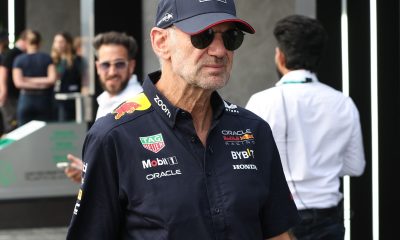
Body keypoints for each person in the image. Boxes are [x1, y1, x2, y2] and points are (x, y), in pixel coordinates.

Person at [66, 0, 300, 239]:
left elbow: (278, 233)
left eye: (231, 37)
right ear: (161, 42)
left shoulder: (254, 130)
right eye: (203, 35)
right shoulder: (113, 136)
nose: (220, 51)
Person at [246, 15, 366, 240]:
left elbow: (249, 166)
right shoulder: (343, 102)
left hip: (278, 222)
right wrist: (319, 165)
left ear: (280, 57)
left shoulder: (261, 102)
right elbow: (355, 166)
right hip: (328, 219)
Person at [64, 31, 143, 183]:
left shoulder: (140, 104)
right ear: (97, 67)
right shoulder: (106, 100)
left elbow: (137, 168)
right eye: (106, 65)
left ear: (131, 66)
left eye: (119, 64)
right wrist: (86, 170)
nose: (112, 72)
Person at [12, 30, 57, 126]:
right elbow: (52, 79)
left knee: (23, 134)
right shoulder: (47, 58)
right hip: (43, 100)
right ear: (40, 43)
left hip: (26, 99)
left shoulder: (19, 59)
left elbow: (18, 83)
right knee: (44, 132)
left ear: (25, 42)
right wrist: (42, 85)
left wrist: (28, 79)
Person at [51, 32, 88, 121]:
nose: (58, 44)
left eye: (61, 42)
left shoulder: (76, 60)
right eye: (56, 41)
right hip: (55, 99)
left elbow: (84, 77)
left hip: (72, 100)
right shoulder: (53, 61)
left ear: (68, 43)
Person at [0, 30, 28, 133]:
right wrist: (3, 91)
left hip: (13, 94)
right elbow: (3, 70)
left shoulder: (11, 53)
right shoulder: (13, 53)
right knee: (11, 123)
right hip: (10, 95)